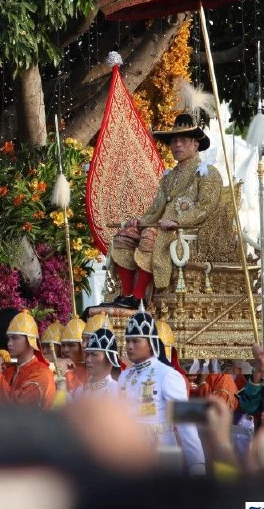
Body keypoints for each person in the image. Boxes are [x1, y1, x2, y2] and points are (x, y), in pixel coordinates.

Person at [110, 112, 223, 308]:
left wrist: (179, 221)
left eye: (183, 140)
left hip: (186, 230)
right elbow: (156, 208)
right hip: (161, 225)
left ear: (196, 144)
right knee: (124, 236)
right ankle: (126, 293)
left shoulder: (208, 173)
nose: (177, 145)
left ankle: (138, 297)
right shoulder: (169, 177)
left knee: (150, 236)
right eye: (174, 141)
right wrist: (139, 221)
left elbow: (206, 206)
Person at [117, 308, 206, 473]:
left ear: (151, 343)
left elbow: (186, 423)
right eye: (128, 341)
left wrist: (197, 466)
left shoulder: (168, 375)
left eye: (136, 341)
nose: (129, 346)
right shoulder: (124, 377)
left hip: (162, 454)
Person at [0, 311, 56, 408]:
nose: (9, 343)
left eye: (14, 338)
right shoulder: (8, 371)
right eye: (8, 339)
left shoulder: (42, 373)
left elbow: (18, 408)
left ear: (30, 340)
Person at [75, 327, 120, 399]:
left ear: (110, 359)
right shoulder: (80, 392)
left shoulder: (116, 391)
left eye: (94, 355)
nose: (88, 360)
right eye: (87, 355)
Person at [61, 317, 88, 393]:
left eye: (71, 345)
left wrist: (66, 373)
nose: (65, 350)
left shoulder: (92, 369)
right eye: (63, 345)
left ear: (82, 345)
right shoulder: (57, 365)